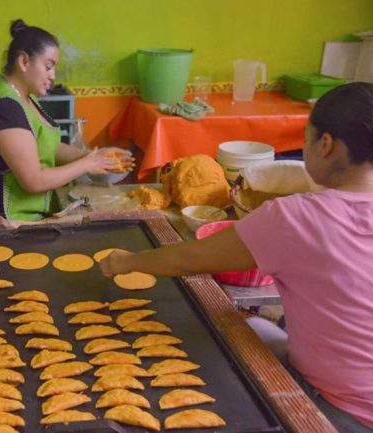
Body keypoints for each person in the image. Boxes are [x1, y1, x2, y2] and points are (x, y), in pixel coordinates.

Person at [100, 82, 373, 432]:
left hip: (342, 412)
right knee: (254, 326)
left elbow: (190, 259)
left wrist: (128, 261)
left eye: (306, 140)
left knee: (219, 372)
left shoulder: (297, 218)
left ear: (326, 144)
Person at [0, 19, 128, 221]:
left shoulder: (25, 99)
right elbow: (33, 181)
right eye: (48, 66)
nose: (53, 76)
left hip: (28, 217)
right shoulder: (5, 108)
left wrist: (93, 156)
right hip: (0, 221)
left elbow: (49, 147)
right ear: (24, 62)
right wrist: (86, 165)